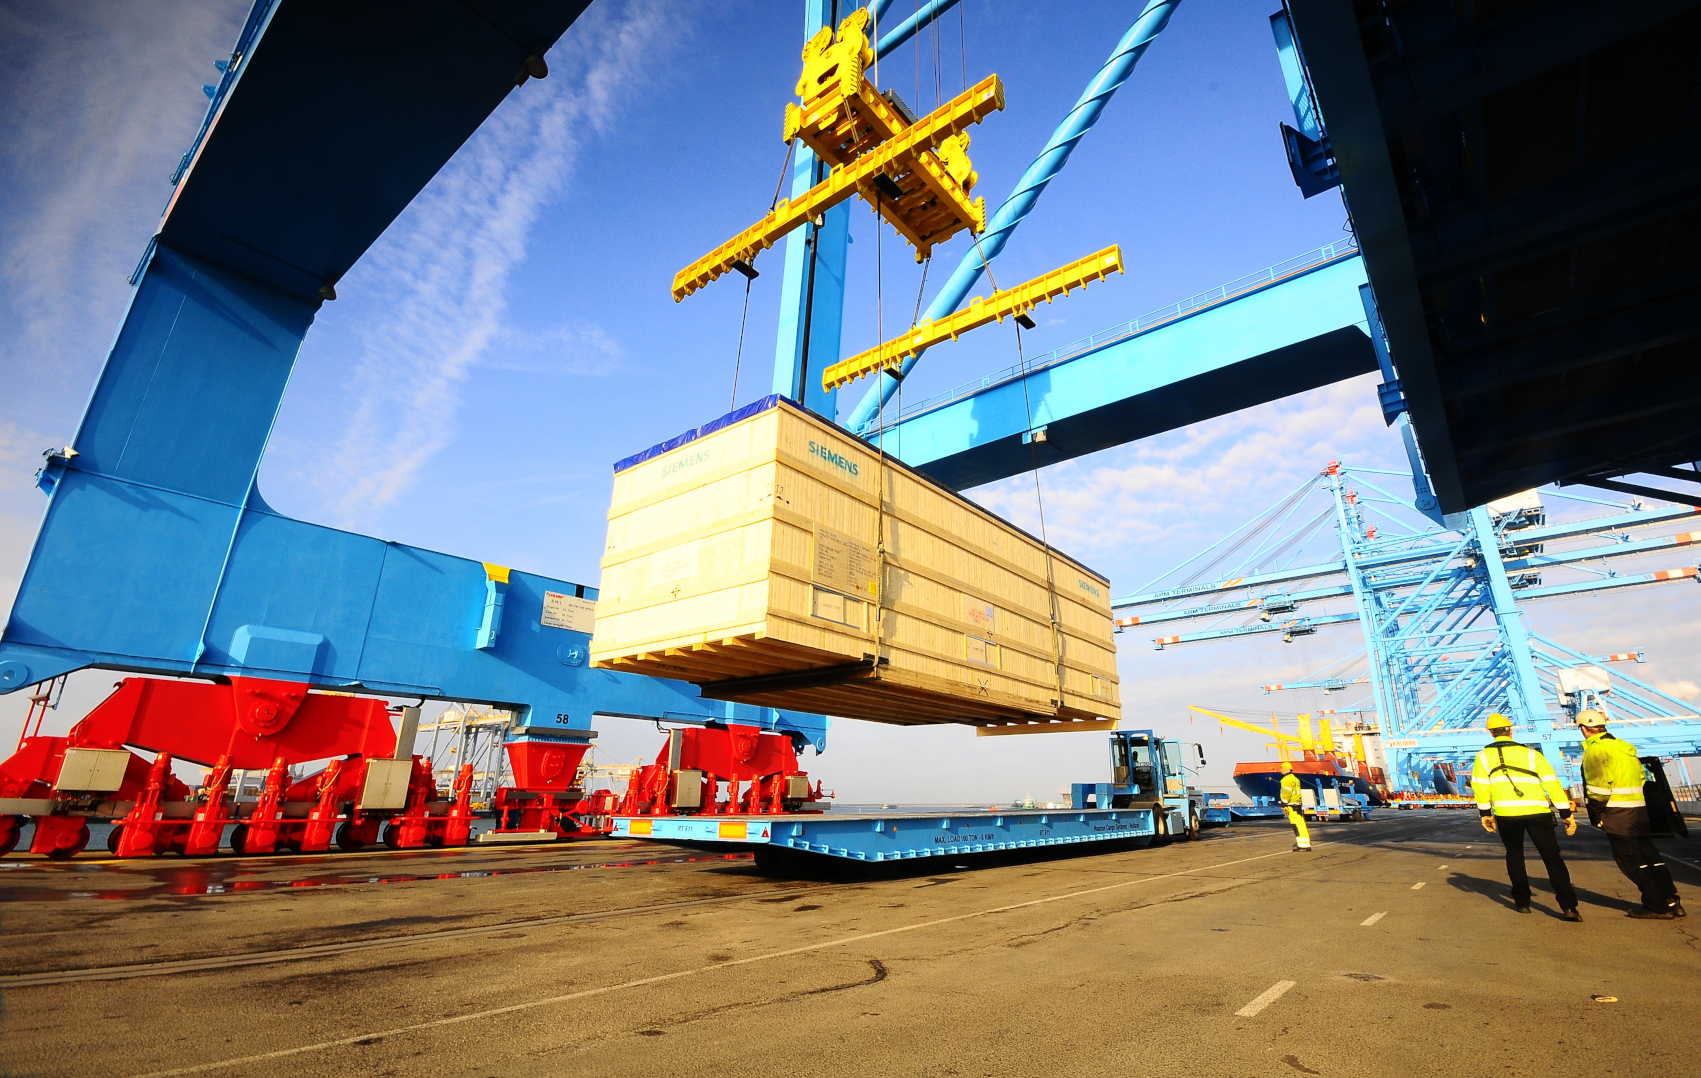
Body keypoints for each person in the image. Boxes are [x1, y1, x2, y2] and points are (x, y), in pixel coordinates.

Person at [1470, 712, 1581, 920]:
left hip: (1506, 815)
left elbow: (1481, 787)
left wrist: (1485, 814)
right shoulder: (1532, 755)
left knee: (1515, 857)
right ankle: (1569, 907)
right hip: (1538, 813)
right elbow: (1553, 785)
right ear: (1510, 731)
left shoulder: (1483, 757)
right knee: (1552, 858)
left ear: (1491, 733)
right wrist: (1565, 813)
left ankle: (1522, 903)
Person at [1579, 710, 1686, 919]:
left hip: (1618, 815)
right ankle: (1672, 901)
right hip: (1638, 812)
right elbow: (1641, 778)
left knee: (1629, 859)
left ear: (1584, 729)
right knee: (1652, 858)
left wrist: (1597, 813)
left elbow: (1598, 788)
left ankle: (1656, 906)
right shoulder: (1624, 749)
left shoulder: (1596, 751)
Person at [1279, 761, 1311, 852]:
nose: (1280, 770)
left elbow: (1286, 792)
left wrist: (1284, 803)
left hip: (1292, 805)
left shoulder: (1286, 779)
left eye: (1282, 768)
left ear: (1287, 769)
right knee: (1301, 825)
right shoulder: (1295, 779)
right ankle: (1306, 844)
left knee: (1297, 825)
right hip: (1297, 804)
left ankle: (1302, 846)